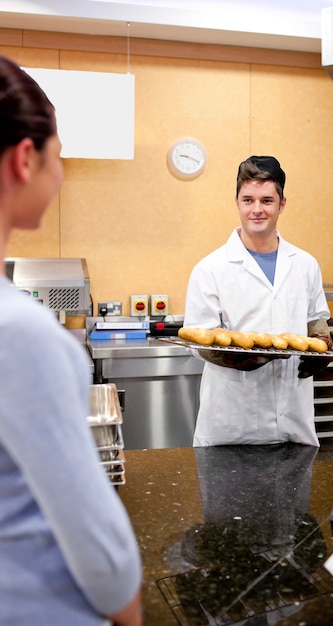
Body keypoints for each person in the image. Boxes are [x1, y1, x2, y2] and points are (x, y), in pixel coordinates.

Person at [0, 56, 142, 625]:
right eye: (60, 158)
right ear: (26, 158)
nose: (59, 176)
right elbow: (96, 542)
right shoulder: (22, 334)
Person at [183, 155, 332, 447]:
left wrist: (322, 342)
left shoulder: (305, 263)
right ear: (236, 202)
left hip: (294, 422)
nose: (257, 210)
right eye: (248, 200)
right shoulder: (210, 269)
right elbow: (198, 338)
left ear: (282, 204)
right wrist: (231, 357)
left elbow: (316, 316)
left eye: (266, 200)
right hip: (232, 426)